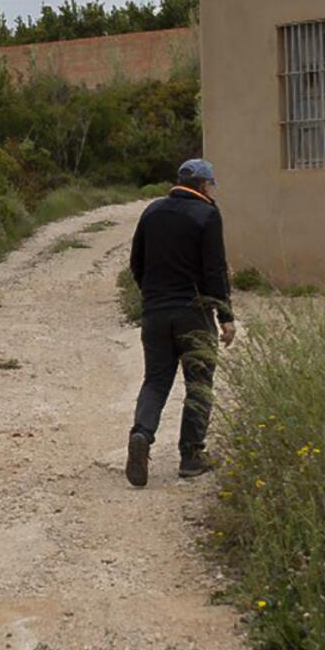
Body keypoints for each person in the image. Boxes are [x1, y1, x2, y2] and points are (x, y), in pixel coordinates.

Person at [125, 158, 235, 487]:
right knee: (198, 384)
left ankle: (142, 434)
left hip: (155, 313)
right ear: (202, 185)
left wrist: (152, 295)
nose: (212, 191)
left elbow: (136, 262)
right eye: (211, 185)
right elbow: (215, 270)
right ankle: (191, 456)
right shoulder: (207, 215)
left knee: (156, 381)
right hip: (194, 313)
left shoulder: (152, 211)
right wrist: (225, 316)